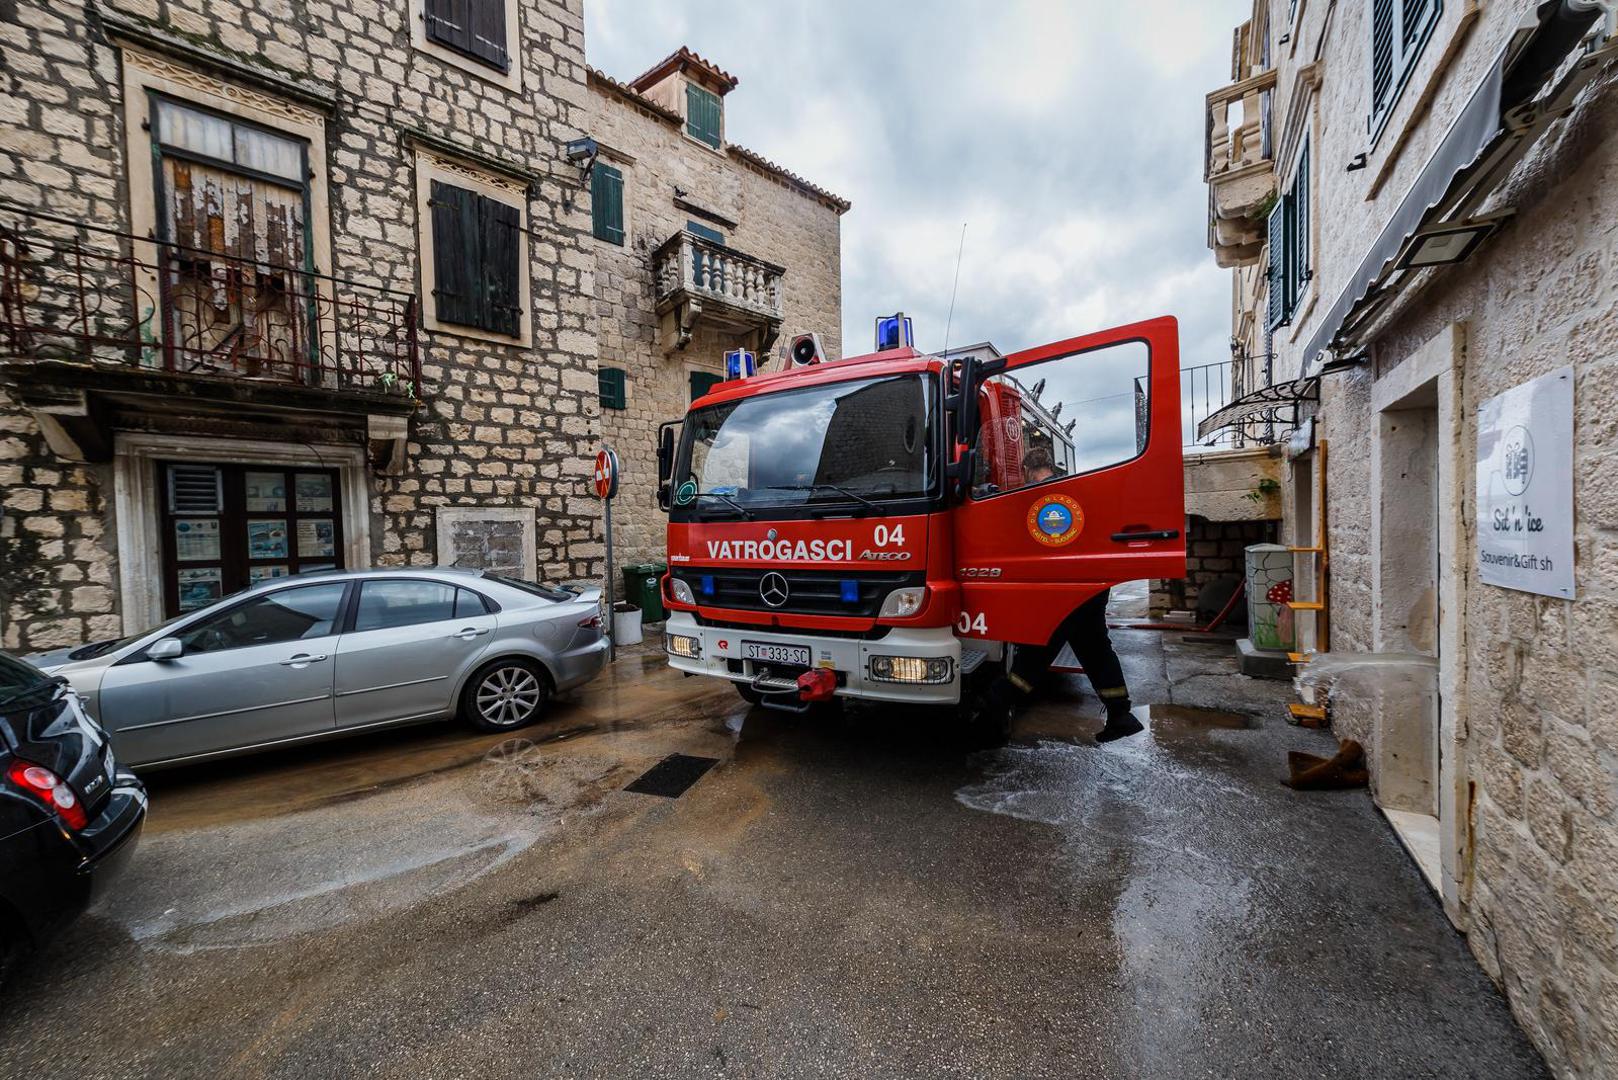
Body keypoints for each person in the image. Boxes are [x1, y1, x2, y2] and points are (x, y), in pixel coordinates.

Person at [977, 446, 1143, 744]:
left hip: (1058, 588)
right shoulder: (1075, 491)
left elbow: (1017, 537)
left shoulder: (1032, 498)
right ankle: (1121, 714)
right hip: (1089, 585)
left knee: (1038, 651)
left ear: (1028, 470)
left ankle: (994, 709)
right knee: (1094, 648)